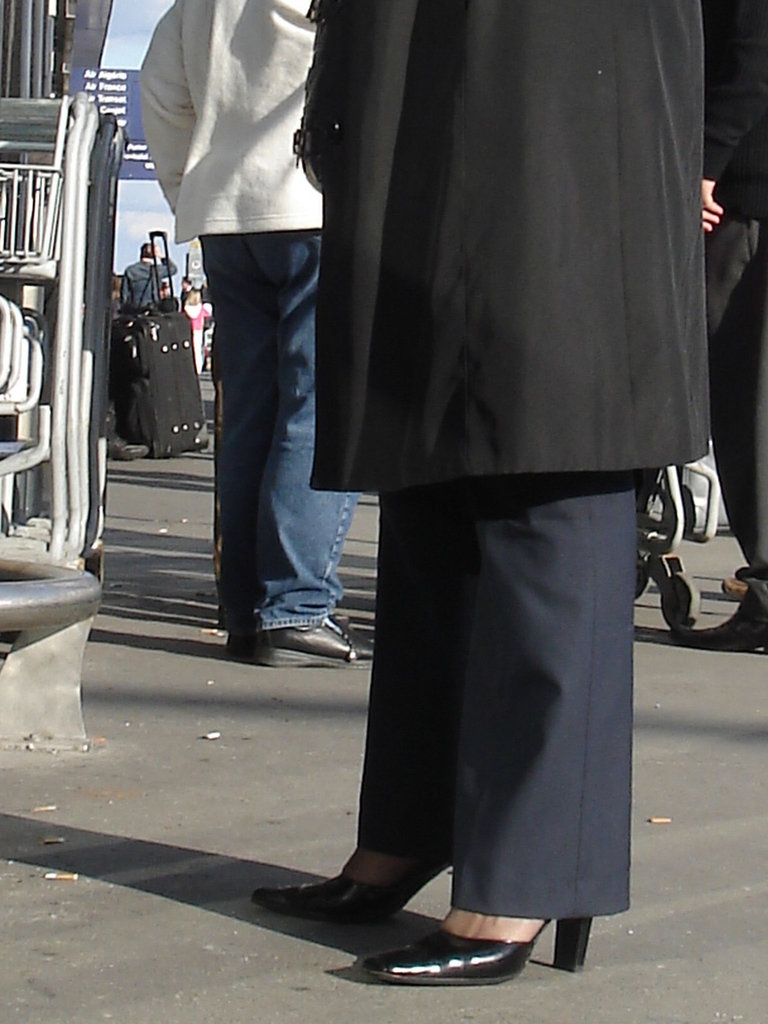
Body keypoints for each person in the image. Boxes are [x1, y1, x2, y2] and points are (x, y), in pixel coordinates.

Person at [250, 0, 709, 986]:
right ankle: (414, 828)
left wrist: (713, 143)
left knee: (548, 459)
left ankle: (533, 869)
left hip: (568, 103)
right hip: (422, 86)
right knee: (430, 483)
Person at [140, 0, 370, 666]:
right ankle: (295, 605)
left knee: (247, 413)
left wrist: (189, 186)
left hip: (227, 211)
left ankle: (246, 606)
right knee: (318, 406)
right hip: (316, 202)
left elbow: (161, 84)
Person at [676, 0, 768, 651]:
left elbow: (753, 57)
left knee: (746, 403)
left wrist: (704, 162)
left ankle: (766, 591)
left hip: (746, 193)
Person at [119, 241, 177, 312]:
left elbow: (124, 294)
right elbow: (173, 269)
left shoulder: (130, 270)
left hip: (135, 309)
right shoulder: (157, 270)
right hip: (153, 308)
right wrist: (162, 256)